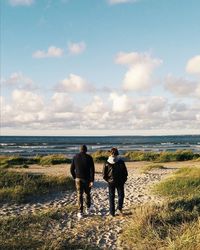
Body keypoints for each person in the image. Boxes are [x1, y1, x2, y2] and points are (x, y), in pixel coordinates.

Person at [70, 144, 95, 219]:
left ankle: (80, 212)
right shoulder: (89, 157)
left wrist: (75, 177)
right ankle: (88, 209)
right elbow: (92, 170)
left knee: (79, 195)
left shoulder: (75, 157)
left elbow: (71, 169)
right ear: (86, 150)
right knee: (87, 194)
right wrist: (92, 180)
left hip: (78, 179)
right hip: (87, 179)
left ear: (80, 150)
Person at [103, 147, 128, 217]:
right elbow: (125, 173)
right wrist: (123, 180)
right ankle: (118, 210)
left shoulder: (107, 162)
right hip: (118, 182)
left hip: (114, 182)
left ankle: (113, 212)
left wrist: (109, 181)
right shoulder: (120, 162)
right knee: (120, 196)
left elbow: (104, 175)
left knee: (112, 197)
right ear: (117, 153)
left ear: (110, 153)